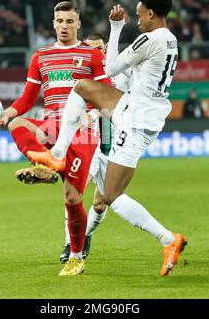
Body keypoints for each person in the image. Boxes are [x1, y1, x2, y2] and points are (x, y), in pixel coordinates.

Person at [28, 0, 187, 277]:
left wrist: (115, 29)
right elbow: (129, 75)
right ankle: (58, 154)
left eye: (139, 15)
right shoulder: (171, 40)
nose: (137, 21)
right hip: (141, 110)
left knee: (111, 195)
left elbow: (112, 65)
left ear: (151, 13)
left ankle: (168, 239)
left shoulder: (150, 38)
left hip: (135, 120)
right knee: (83, 86)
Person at [0, 1, 112, 276]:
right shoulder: (41, 56)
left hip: (82, 133)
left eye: (69, 21)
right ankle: (45, 164)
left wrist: (93, 116)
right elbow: (27, 98)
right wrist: (6, 113)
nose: (64, 26)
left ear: (78, 24)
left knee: (72, 200)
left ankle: (75, 257)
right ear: (53, 23)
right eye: (59, 21)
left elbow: (106, 95)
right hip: (50, 127)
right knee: (17, 123)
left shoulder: (91, 55)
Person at [60, 32, 131, 263]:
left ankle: (85, 234)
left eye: (99, 48)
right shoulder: (81, 78)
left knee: (101, 203)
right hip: (89, 143)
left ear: (107, 48)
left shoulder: (121, 74)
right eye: (89, 49)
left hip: (115, 147)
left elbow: (122, 105)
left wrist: (96, 112)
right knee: (75, 191)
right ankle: (70, 244)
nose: (95, 53)